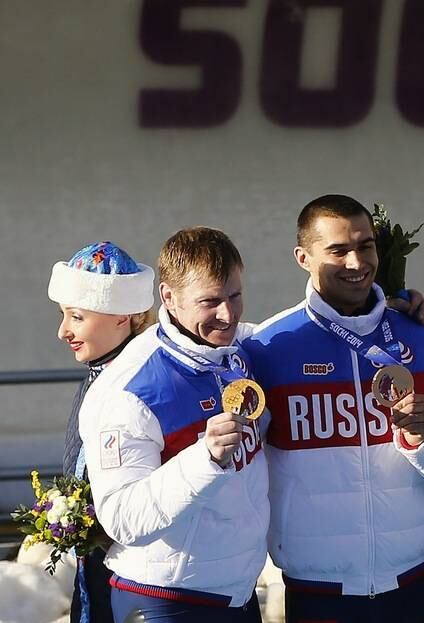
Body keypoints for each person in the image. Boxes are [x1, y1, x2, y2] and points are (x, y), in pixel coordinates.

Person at [241, 194, 424, 623]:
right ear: (303, 257)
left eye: (366, 245)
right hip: (316, 593)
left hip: (410, 590)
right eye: (338, 250)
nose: (357, 262)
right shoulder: (266, 350)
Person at [77, 228, 267, 622]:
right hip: (165, 600)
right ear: (168, 297)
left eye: (234, 296)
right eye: (210, 302)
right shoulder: (129, 389)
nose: (228, 314)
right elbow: (122, 518)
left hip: (235, 592)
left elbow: (287, 332)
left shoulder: (229, 351)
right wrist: (205, 458)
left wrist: (392, 310)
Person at [48, 241, 157, 623]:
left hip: (136, 572)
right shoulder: (97, 374)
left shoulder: (145, 382)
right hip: (97, 561)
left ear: (122, 316)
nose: (63, 331)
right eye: (63, 315)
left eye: (76, 317)